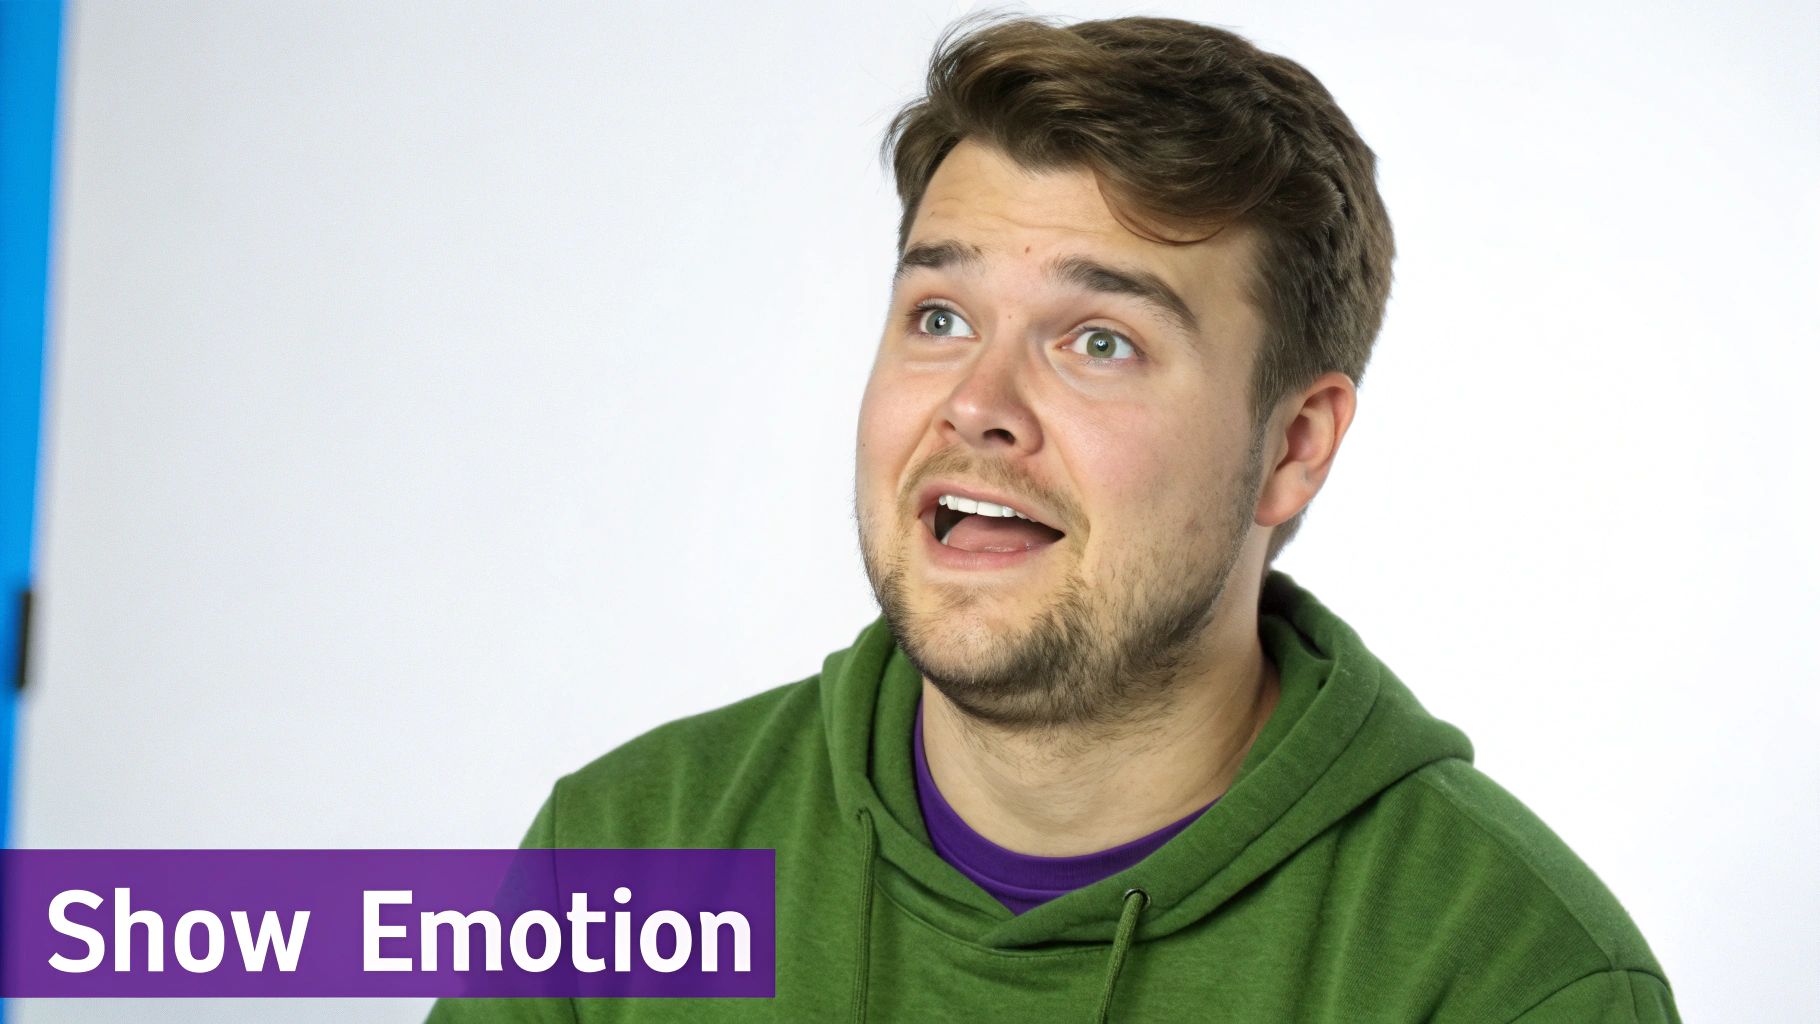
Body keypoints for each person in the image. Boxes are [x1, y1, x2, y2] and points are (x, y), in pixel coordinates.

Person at [429, 13, 1678, 1022]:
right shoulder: (623, 858)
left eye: (1098, 341)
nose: (977, 405)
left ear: (1292, 447)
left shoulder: (1514, 978)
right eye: (939, 318)